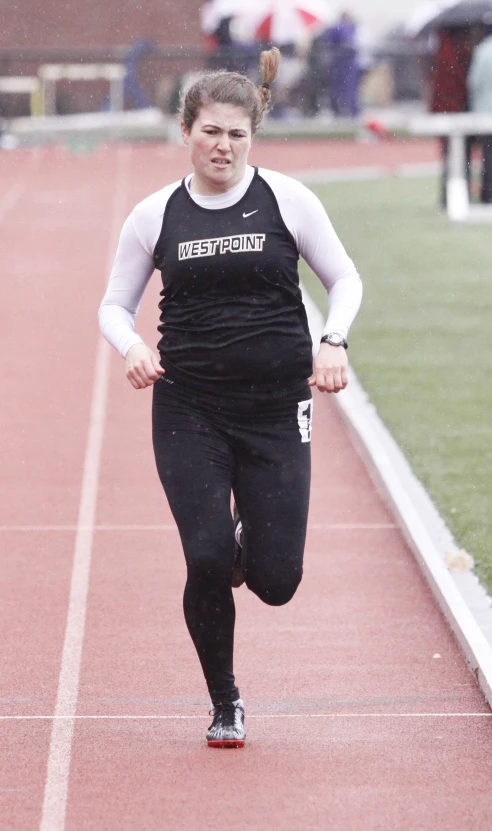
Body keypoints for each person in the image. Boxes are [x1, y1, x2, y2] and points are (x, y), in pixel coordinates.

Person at [98, 47, 362, 748]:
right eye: (210, 131)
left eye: (236, 134)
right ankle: (225, 698)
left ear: (253, 136)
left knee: (276, 581)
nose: (223, 145)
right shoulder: (154, 216)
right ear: (186, 130)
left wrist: (333, 340)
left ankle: (251, 542)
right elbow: (113, 306)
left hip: (277, 408)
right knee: (207, 555)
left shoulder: (287, 200)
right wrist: (132, 348)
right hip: (191, 408)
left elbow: (346, 279)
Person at [468, 23, 492, 203]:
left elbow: (473, 82)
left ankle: (487, 193)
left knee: (487, 154)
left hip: (484, 111)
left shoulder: (482, 51)